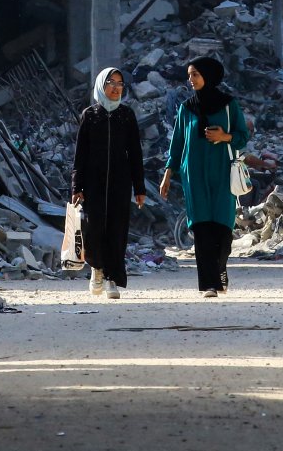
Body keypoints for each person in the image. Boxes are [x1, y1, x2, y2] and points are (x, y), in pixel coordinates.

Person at [159, 56, 248, 298]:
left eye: (195, 75)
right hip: (194, 174)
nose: (190, 80)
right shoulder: (186, 108)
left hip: (222, 171)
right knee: (201, 228)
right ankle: (209, 284)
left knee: (222, 227)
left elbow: (243, 136)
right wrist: (168, 174)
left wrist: (224, 136)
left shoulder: (229, 105)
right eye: (189, 75)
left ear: (208, 75)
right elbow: (177, 145)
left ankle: (220, 269)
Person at [70, 67, 146, 299]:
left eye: (120, 83)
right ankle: (97, 270)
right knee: (93, 229)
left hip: (120, 182)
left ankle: (113, 278)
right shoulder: (90, 115)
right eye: (111, 83)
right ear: (101, 86)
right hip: (94, 182)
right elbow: (80, 153)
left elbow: (135, 153)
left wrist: (139, 188)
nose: (115, 88)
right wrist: (76, 186)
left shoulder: (127, 115)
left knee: (117, 229)